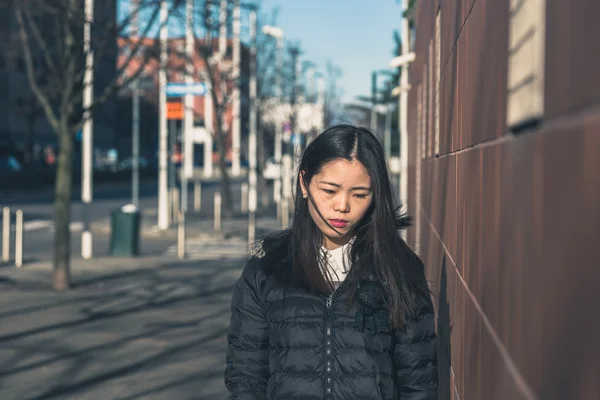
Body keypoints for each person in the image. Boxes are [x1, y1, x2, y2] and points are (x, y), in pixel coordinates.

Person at [225, 124, 438, 399]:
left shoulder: (397, 268)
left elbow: (418, 383)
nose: (342, 206)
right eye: (329, 190)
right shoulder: (267, 270)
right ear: (304, 183)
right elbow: (245, 380)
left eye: (360, 194)